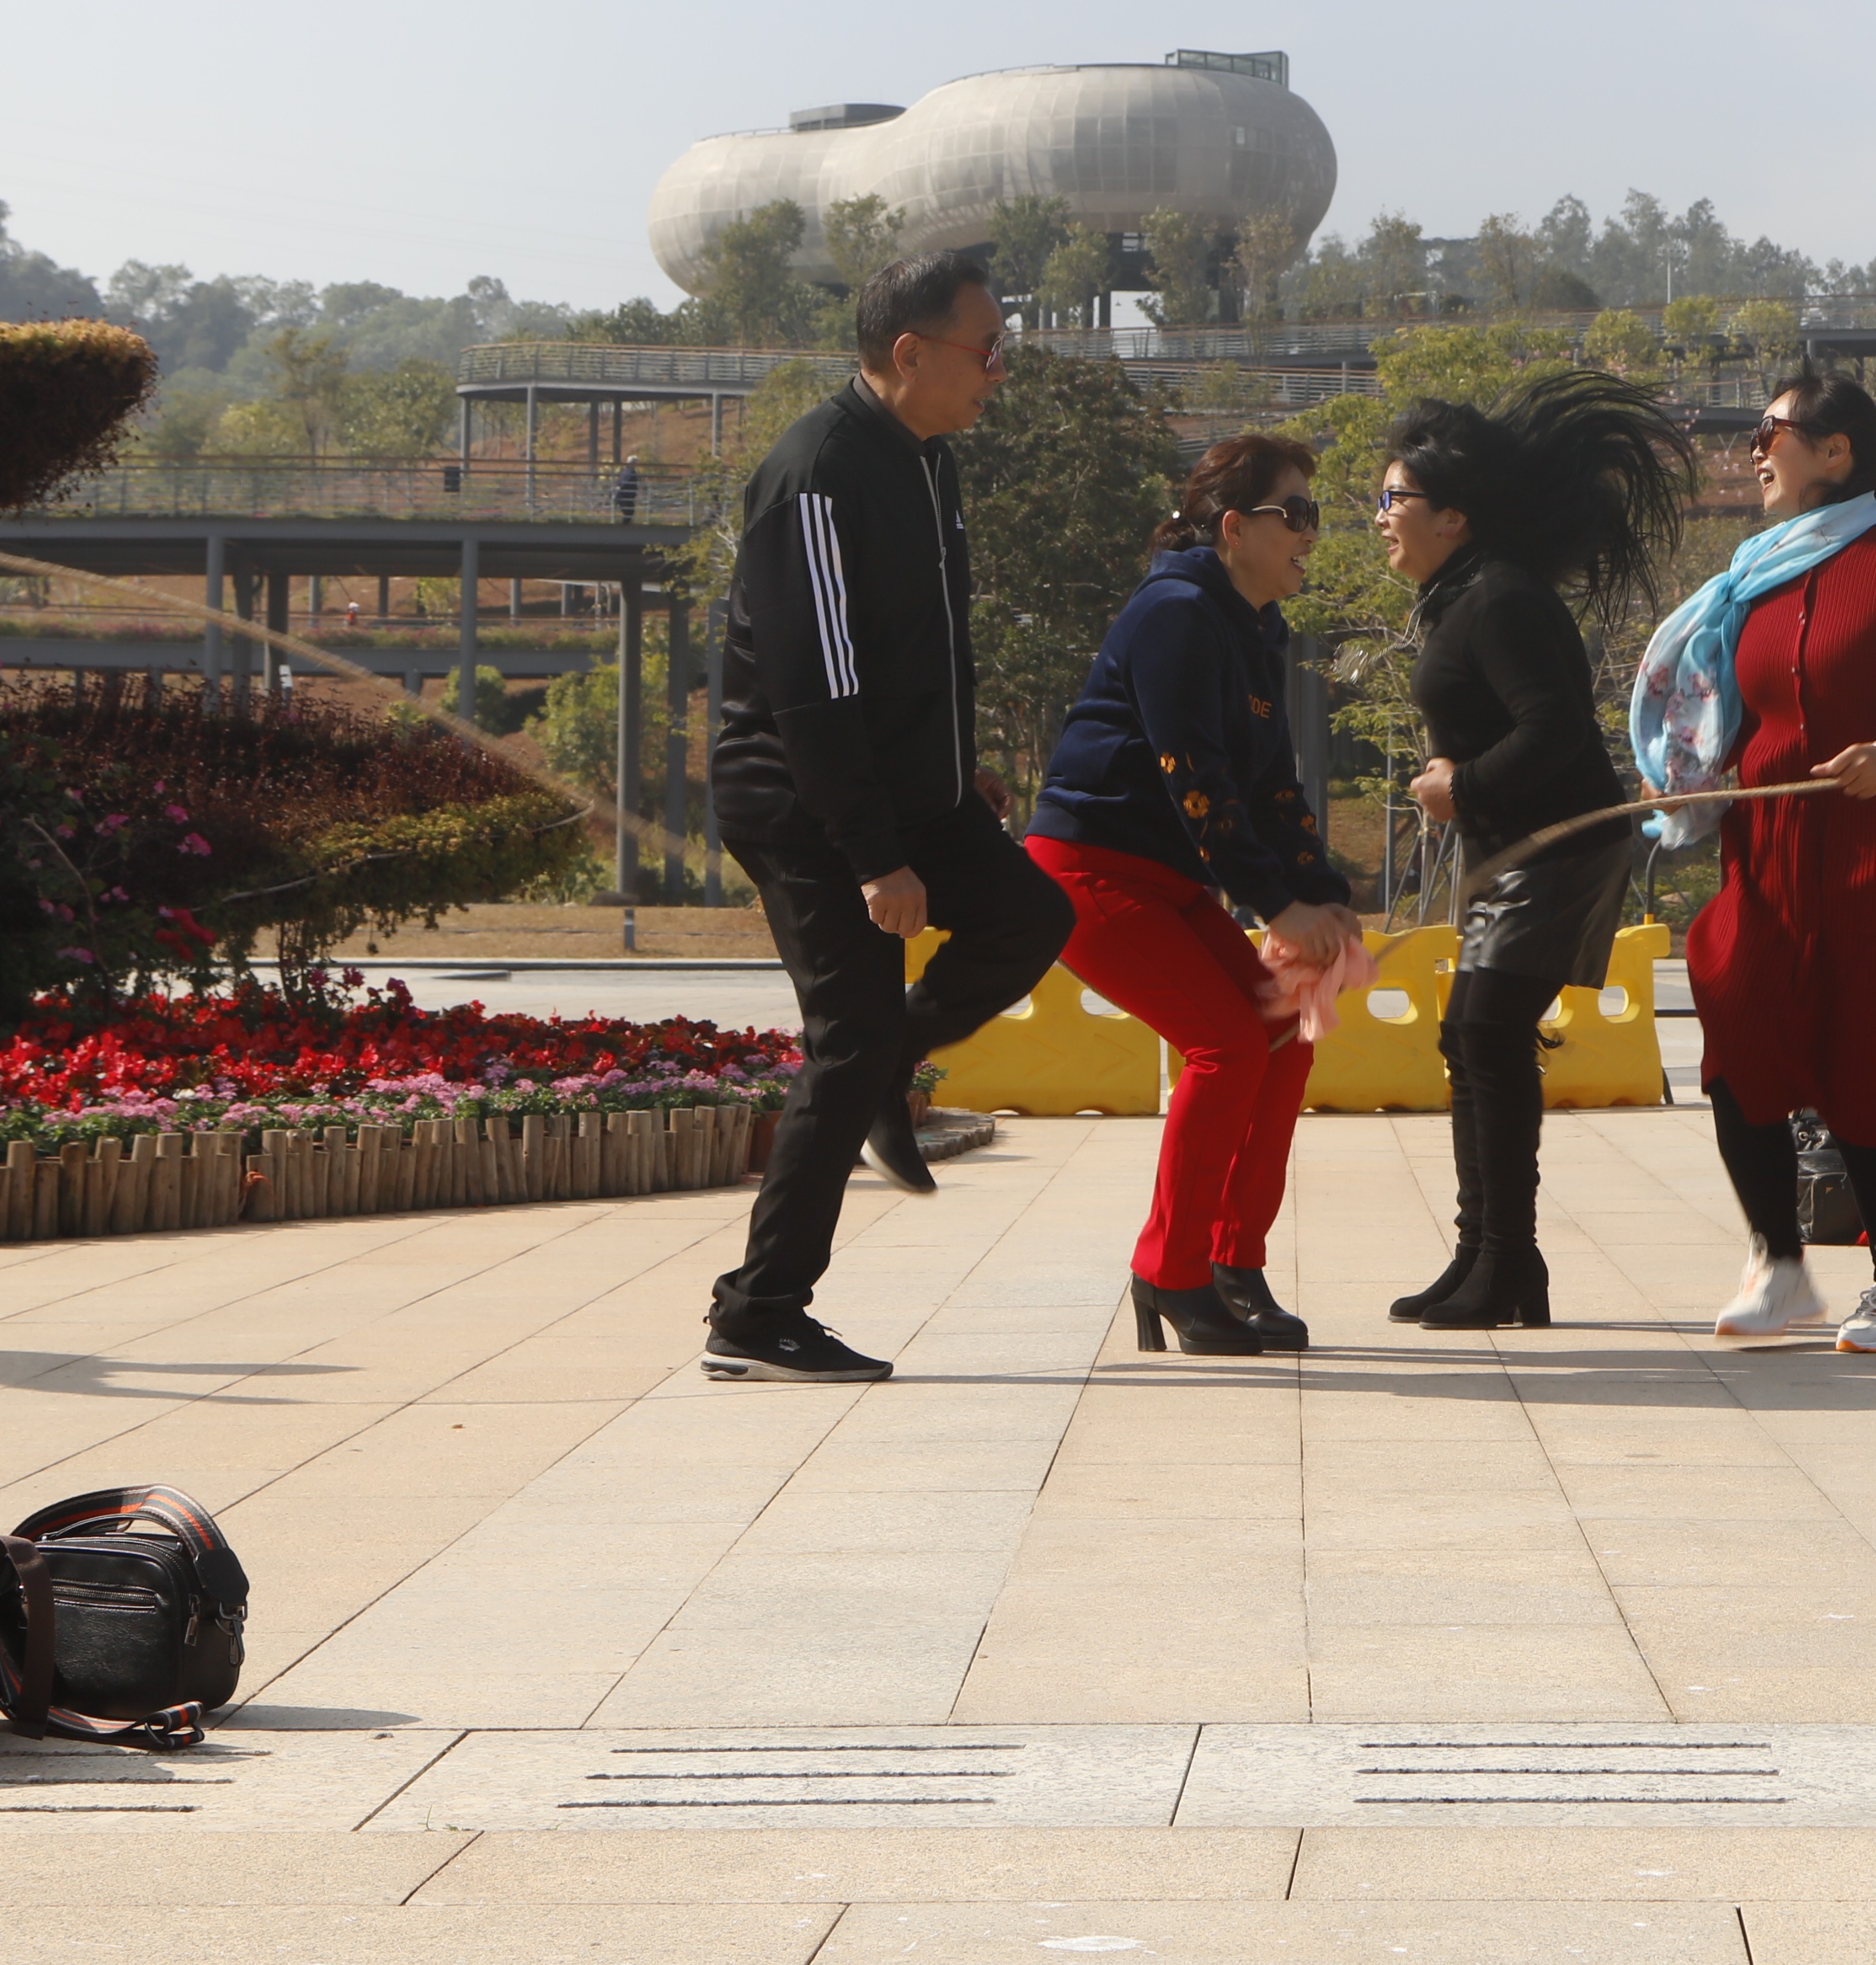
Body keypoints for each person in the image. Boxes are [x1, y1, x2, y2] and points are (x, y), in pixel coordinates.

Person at [700, 246, 1080, 1384]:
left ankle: (892, 1075)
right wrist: (875, 858)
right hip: (808, 804)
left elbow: (925, 654)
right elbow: (816, 685)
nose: (1000, 372)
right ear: (909, 354)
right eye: (988, 350)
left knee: (1029, 919)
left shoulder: (927, 459)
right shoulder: (816, 472)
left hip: (913, 790)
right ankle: (757, 1316)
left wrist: (955, 777)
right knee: (848, 1038)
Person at [1630, 360, 1876, 1356]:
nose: (1755, 449)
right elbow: (1731, 712)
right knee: (1737, 1029)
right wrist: (1693, 778)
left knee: (1864, 1056)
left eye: (1772, 431)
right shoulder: (1753, 578)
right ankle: (1780, 1262)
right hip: (1766, 855)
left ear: (1836, 451)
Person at [1027, 433, 1366, 1358]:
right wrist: (1274, 906)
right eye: (1292, 514)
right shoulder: (1175, 611)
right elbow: (1196, 780)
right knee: (1225, 1047)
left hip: (1167, 879)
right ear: (1232, 527)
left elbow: (1274, 787)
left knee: (1280, 1033)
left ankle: (1231, 1265)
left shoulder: (1252, 626)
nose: (1310, 533)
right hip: (1089, 871)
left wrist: (1323, 899)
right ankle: (1167, 1273)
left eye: (1314, 515)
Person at [1375, 370, 1694, 1332]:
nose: (1380, 515)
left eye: (1396, 499)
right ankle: (1485, 1255)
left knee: (1486, 1034)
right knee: (1471, 1036)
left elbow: (1554, 729)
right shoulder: (1466, 595)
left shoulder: (1500, 599)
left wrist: (1458, 785)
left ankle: (1509, 1262)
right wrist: (1456, 766)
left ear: (1454, 519)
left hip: (1554, 847)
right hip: (1511, 850)